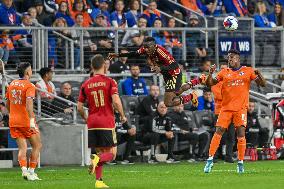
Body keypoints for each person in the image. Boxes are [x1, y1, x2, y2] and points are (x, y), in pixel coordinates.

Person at [204, 49, 266, 173]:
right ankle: (210, 160)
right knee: (219, 131)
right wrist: (210, 73)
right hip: (226, 108)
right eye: (228, 58)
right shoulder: (224, 72)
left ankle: (240, 162)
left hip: (240, 109)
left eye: (231, 57)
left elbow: (263, 84)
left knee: (241, 134)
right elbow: (209, 83)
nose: (229, 60)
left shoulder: (248, 71)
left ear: (237, 58)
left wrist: (260, 74)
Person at [108, 37, 206, 107]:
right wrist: (117, 55)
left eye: (147, 48)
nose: (145, 50)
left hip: (173, 74)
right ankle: (197, 82)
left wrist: (160, 69)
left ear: (154, 46)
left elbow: (174, 65)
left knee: (168, 103)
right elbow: (133, 54)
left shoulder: (161, 52)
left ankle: (190, 96)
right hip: (167, 74)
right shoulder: (145, 49)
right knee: (177, 92)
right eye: (144, 47)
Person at [77, 54, 128, 188]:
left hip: (92, 122)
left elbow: (79, 107)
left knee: (100, 152)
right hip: (106, 120)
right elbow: (116, 101)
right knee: (111, 154)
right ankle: (97, 160)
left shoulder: (86, 84)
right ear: (104, 66)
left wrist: (87, 119)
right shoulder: (110, 81)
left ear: (92, 67)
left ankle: (99, 181)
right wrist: (122, 115)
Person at [6, 62, 42, 180]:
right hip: (25, 120)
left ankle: (24, 171)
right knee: (37, 145)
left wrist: (13, 114)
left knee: (22, 148)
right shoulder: (29, 85)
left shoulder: (12, 84)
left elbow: (7, 104)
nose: (31, 72)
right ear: (27, 72)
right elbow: (29, 104)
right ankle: (31, 172)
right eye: (31, 70)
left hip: (13, 120)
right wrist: (32, 120)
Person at [211, 62, 235, 163]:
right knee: (219, 135)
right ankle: (214, 156)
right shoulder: (215, 82)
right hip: (220, 112)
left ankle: (228, 156)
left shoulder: (233, 81)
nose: (223, 70)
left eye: (225, 69)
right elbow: (219, 96)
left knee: (231, 135)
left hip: (232, 111)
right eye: (221, 69)